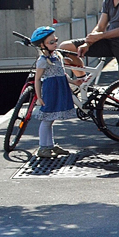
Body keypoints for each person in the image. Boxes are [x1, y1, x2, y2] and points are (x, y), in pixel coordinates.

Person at [29, 26, 81, 158]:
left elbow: (62, 73)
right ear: (42, 45)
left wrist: (73, 82)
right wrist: (39, 96)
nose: (55, 44)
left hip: (59, 89)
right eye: (51, 42)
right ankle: (43, 147)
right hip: (51, 91)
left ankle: (49, 145)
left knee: (51, 120)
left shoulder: (56, 56)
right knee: (46, 119)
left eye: (55, 40)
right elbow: (37, 79)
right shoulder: (42, 61)